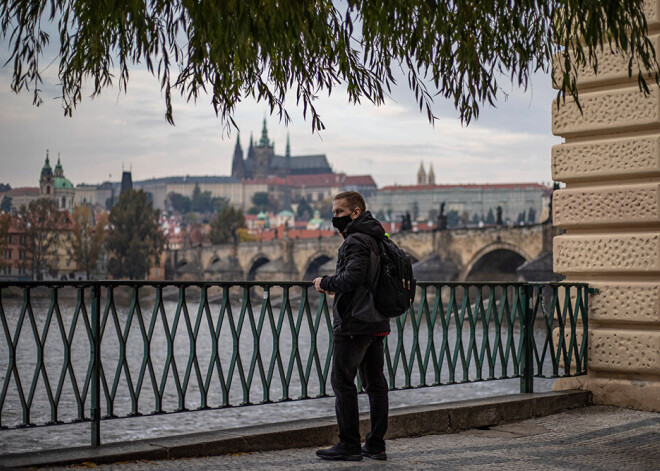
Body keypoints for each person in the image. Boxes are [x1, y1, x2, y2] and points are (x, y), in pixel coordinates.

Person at [313, 191, 390, 462]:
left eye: (339, 212)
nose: (334, 218)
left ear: (355, 212)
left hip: (355, 322)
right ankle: (376, 444)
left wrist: (326, 282)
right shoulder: (377, 237)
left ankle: (349, 443)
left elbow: (353, 277)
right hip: (377, 320)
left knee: (343, 382)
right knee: (375, 383)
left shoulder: (356, 240)